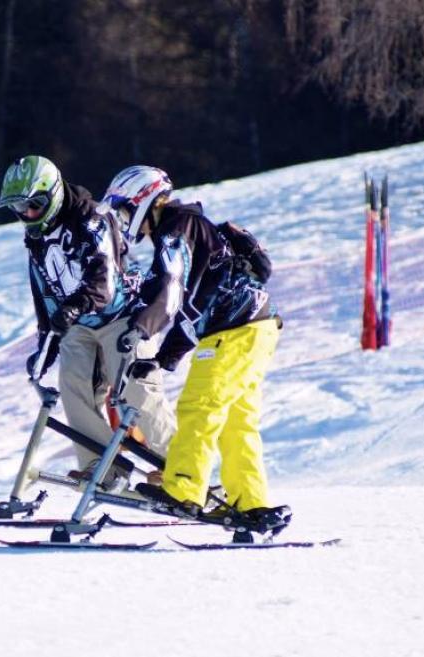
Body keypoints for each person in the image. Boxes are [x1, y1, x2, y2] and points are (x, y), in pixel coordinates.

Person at [99, 165, 288, 529]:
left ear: (143, 200)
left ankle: (183, 492)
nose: (124, 221)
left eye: (124, 210)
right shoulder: (187, 228)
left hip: (233, 331)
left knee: (198, 407)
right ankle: (250, 503)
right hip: (257, 328)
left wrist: (143, 333)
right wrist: (161, 357)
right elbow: (192, 297)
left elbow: (174, 293)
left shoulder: (176, 231)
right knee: (236, 421)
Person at [0, 155, 175, 488]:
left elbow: (103, 281)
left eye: (35, 204)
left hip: (124, 315)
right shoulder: (36, 236)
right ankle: (104, 468)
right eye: (19, 208)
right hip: (79, 322)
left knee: (136, 388)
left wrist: (72, 308)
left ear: (54, 193)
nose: (28, 214)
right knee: (73, 386)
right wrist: (45, 343)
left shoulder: (90, 219)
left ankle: (182, 469)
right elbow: (44, 291)